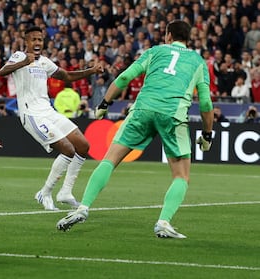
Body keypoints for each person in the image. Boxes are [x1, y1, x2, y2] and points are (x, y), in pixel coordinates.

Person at [56, 20, 214, 239]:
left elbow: (124, 77)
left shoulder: (155, 52)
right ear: (188, 39)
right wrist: (207, 134)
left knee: (109, 161)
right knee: (181, 176)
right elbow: (206, 104)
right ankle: (163, 222)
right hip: (173, 114)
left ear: (168, 35)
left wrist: (105, 103)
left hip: (142, 110)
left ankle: (83, 207)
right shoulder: (198, 61)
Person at [0, 26, 104, 210]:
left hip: (48, 111)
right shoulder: (19, 56)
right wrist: (23, 63)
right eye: (34, 39)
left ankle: (66, 193)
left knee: (83, 145)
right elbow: (2, 71)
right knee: (68, 150)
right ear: (26, 42)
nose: (38, 43)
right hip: (32, 115)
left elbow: (68, 76)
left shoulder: (45, 62)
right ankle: (45, 193)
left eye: (40, 39)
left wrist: (91, 71)